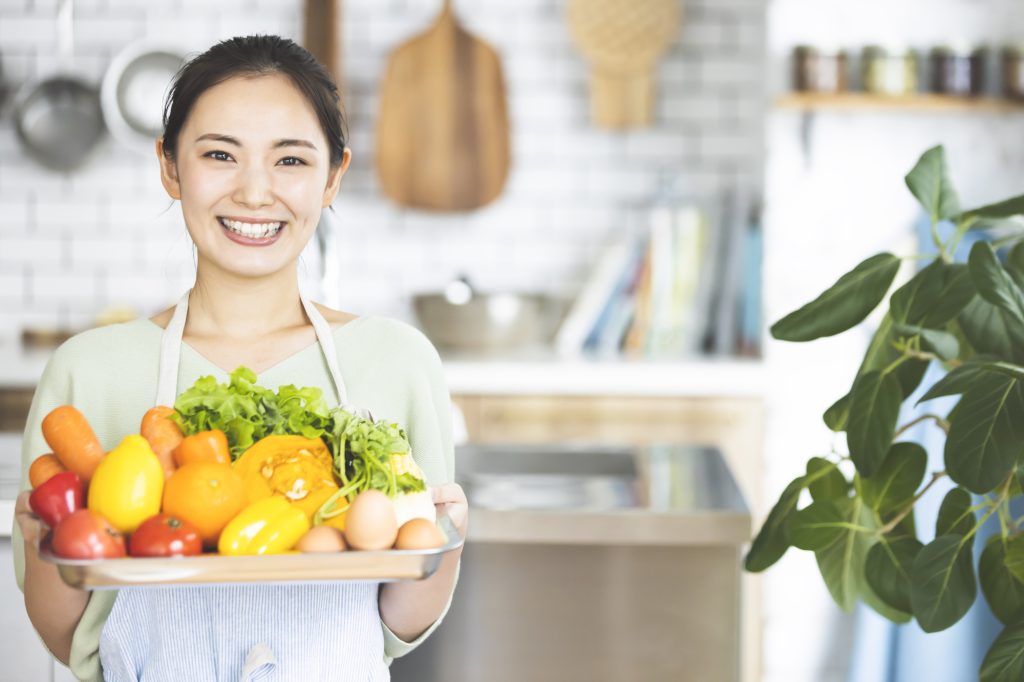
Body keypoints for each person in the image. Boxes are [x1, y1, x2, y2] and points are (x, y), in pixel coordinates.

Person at [13, 34, 468, 682]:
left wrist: (445, 549)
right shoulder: (88, 371)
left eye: (291, 160)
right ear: (170, 166)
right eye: (220, 154)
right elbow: (67, 635)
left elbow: (401, 627)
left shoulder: (397, 361)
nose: (255, 192)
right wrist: (43, 541)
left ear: (333, 176)